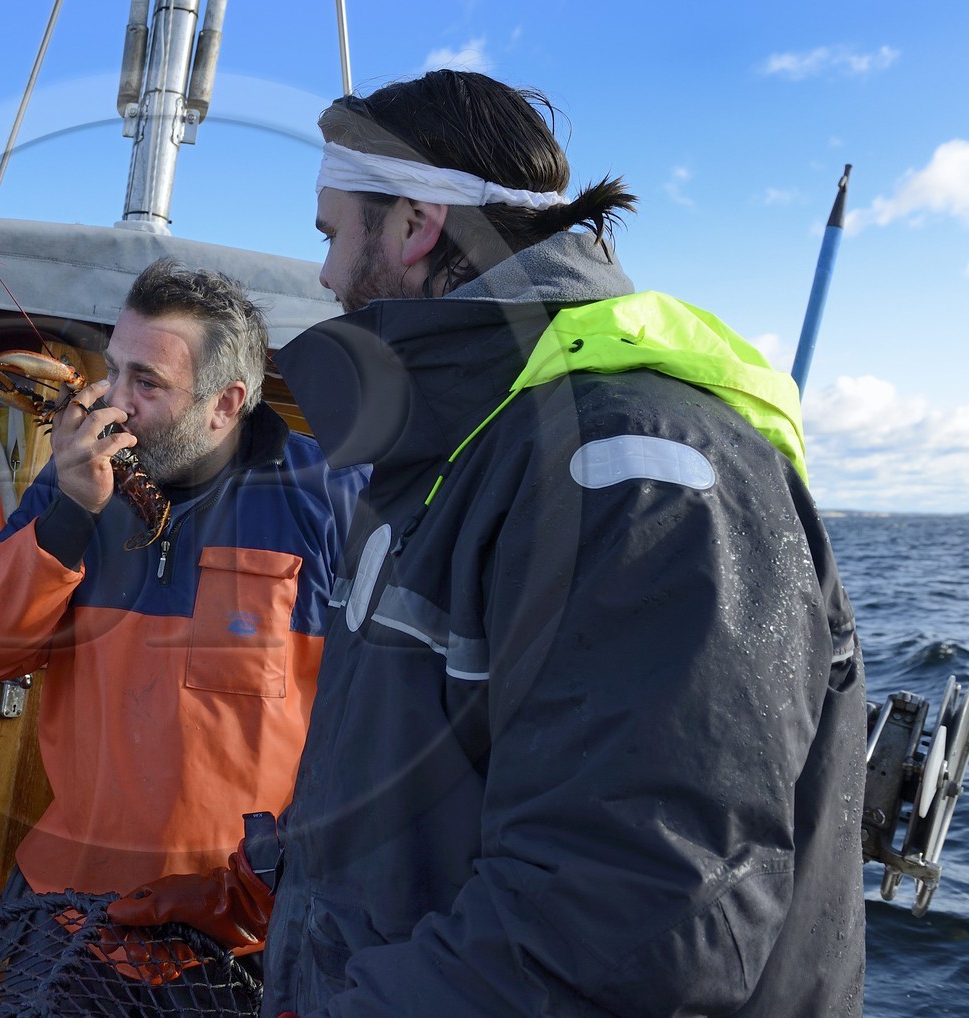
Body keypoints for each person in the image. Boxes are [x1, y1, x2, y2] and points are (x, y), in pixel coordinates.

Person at [108, 70, 867, 1017]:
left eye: (334, 232)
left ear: (418, 226)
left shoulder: (634, 476)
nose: (327, 274)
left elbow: (624, 932)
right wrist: (272, 893)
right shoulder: (454, 452)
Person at [0, 257, 367, 900]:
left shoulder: (335, 497)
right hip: (72, 895)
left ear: (226, 404)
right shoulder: (71, 481)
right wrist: (70, 515)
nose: (114, 399)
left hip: (245, 914)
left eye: (147, 382)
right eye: (114, 368)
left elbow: (381, 709)